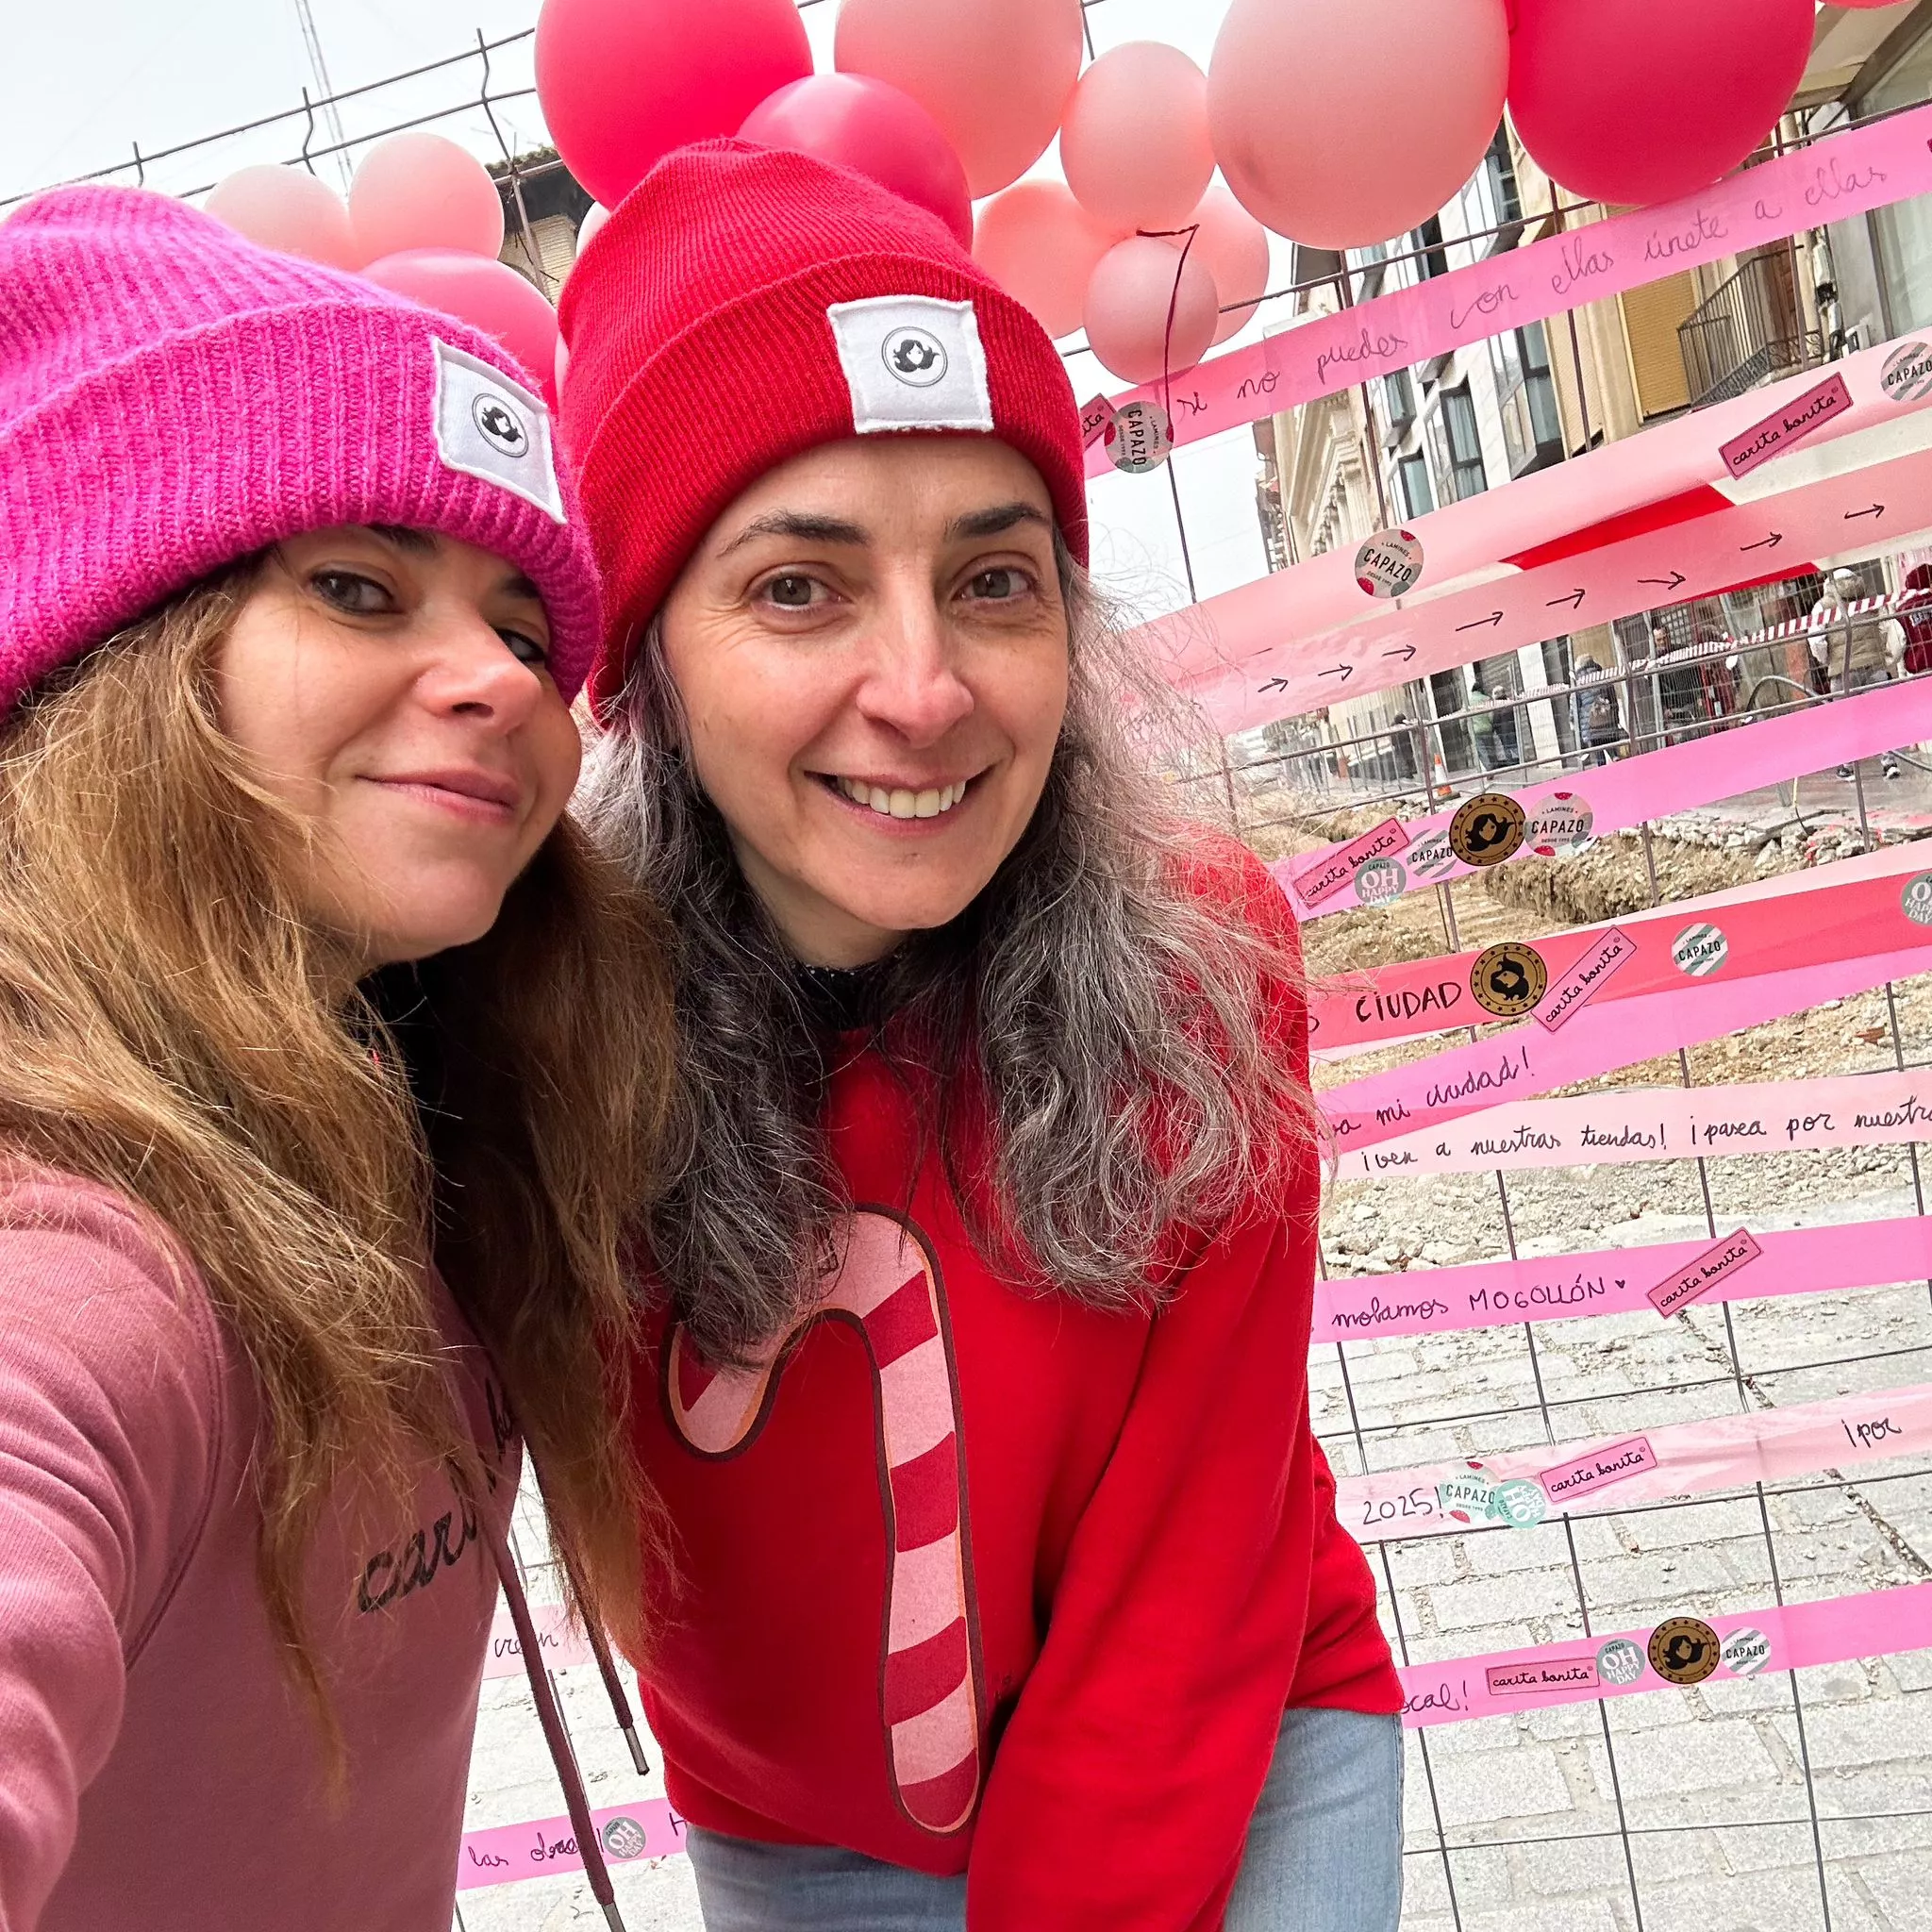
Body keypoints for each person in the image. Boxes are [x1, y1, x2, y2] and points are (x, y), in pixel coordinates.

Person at [560, 142, 1403, 1932]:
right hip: (805, 1846)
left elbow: (1186, 1569)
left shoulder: (1198, 963)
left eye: (996, 580)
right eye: (798, 586)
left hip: (1230, 1747)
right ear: (649, 654)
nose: (925, 688)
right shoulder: (543, 1026)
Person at [0, 188, 673, 1929]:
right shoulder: (81, 1238)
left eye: (526, 628)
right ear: (107, 656)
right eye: (358, 588)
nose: (500, 682)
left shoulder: (446, 1113)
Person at [1809, 566, 1905, 778]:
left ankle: (1847, 767)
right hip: (1874, 666)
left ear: (1828, 584)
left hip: (1843, 673)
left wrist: (1829, 660)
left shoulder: (1822, 606)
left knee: (1845, 720)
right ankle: (1890, 763)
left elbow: (1816, 640)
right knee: (1880, 716)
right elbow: (1885, 627)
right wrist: (1880, 654)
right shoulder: (1868, 600)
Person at [1573, 656, 1626, 766]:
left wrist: (1573, 721)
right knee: (1610, 745)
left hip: (1591, 726)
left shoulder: (1578, 683)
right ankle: (1614, 757)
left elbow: (1575, 706)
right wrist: (1615, 719)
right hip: (1607, 722)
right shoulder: (1603, 677)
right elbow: (1613, 700)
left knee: (1599, 754)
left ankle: (1603, 772)